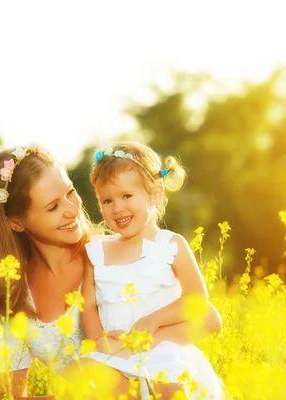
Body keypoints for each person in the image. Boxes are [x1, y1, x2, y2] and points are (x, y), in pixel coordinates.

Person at [0, 143, 223, 398]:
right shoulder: (12, 297)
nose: (72, 209)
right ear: (16, 222)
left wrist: (131, 348)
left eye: (70, 192)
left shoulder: (109, 255)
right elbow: (8, 397)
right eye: (53, 207)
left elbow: (208, 316)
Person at [81, 142, 227, 399]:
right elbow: (89, 305)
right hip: (115, 351)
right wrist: (100, 342)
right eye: (107, 200)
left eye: (127, 196)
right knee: (81, 372)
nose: (117, 208)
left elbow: (197, 301)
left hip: (163, 351)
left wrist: (153, 321)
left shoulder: (171, 245)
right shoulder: (96, 252)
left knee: (168, 385)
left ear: (155, 194)